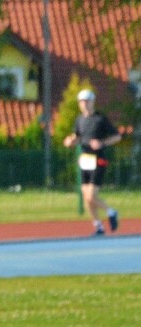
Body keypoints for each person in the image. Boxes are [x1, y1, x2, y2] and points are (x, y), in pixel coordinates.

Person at [62, 88, 121, 236]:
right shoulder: (79, 120)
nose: (84, 104)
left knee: (90, 195)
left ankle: (111, 211)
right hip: (85, 159)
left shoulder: (100, 119)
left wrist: (102, 143)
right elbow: (77, 137)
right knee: (86, 196)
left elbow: (117, 136)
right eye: (82, 101)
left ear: (92, 102)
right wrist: (70, 141)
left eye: (87, 101)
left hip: (98, 159)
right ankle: (98, 226)